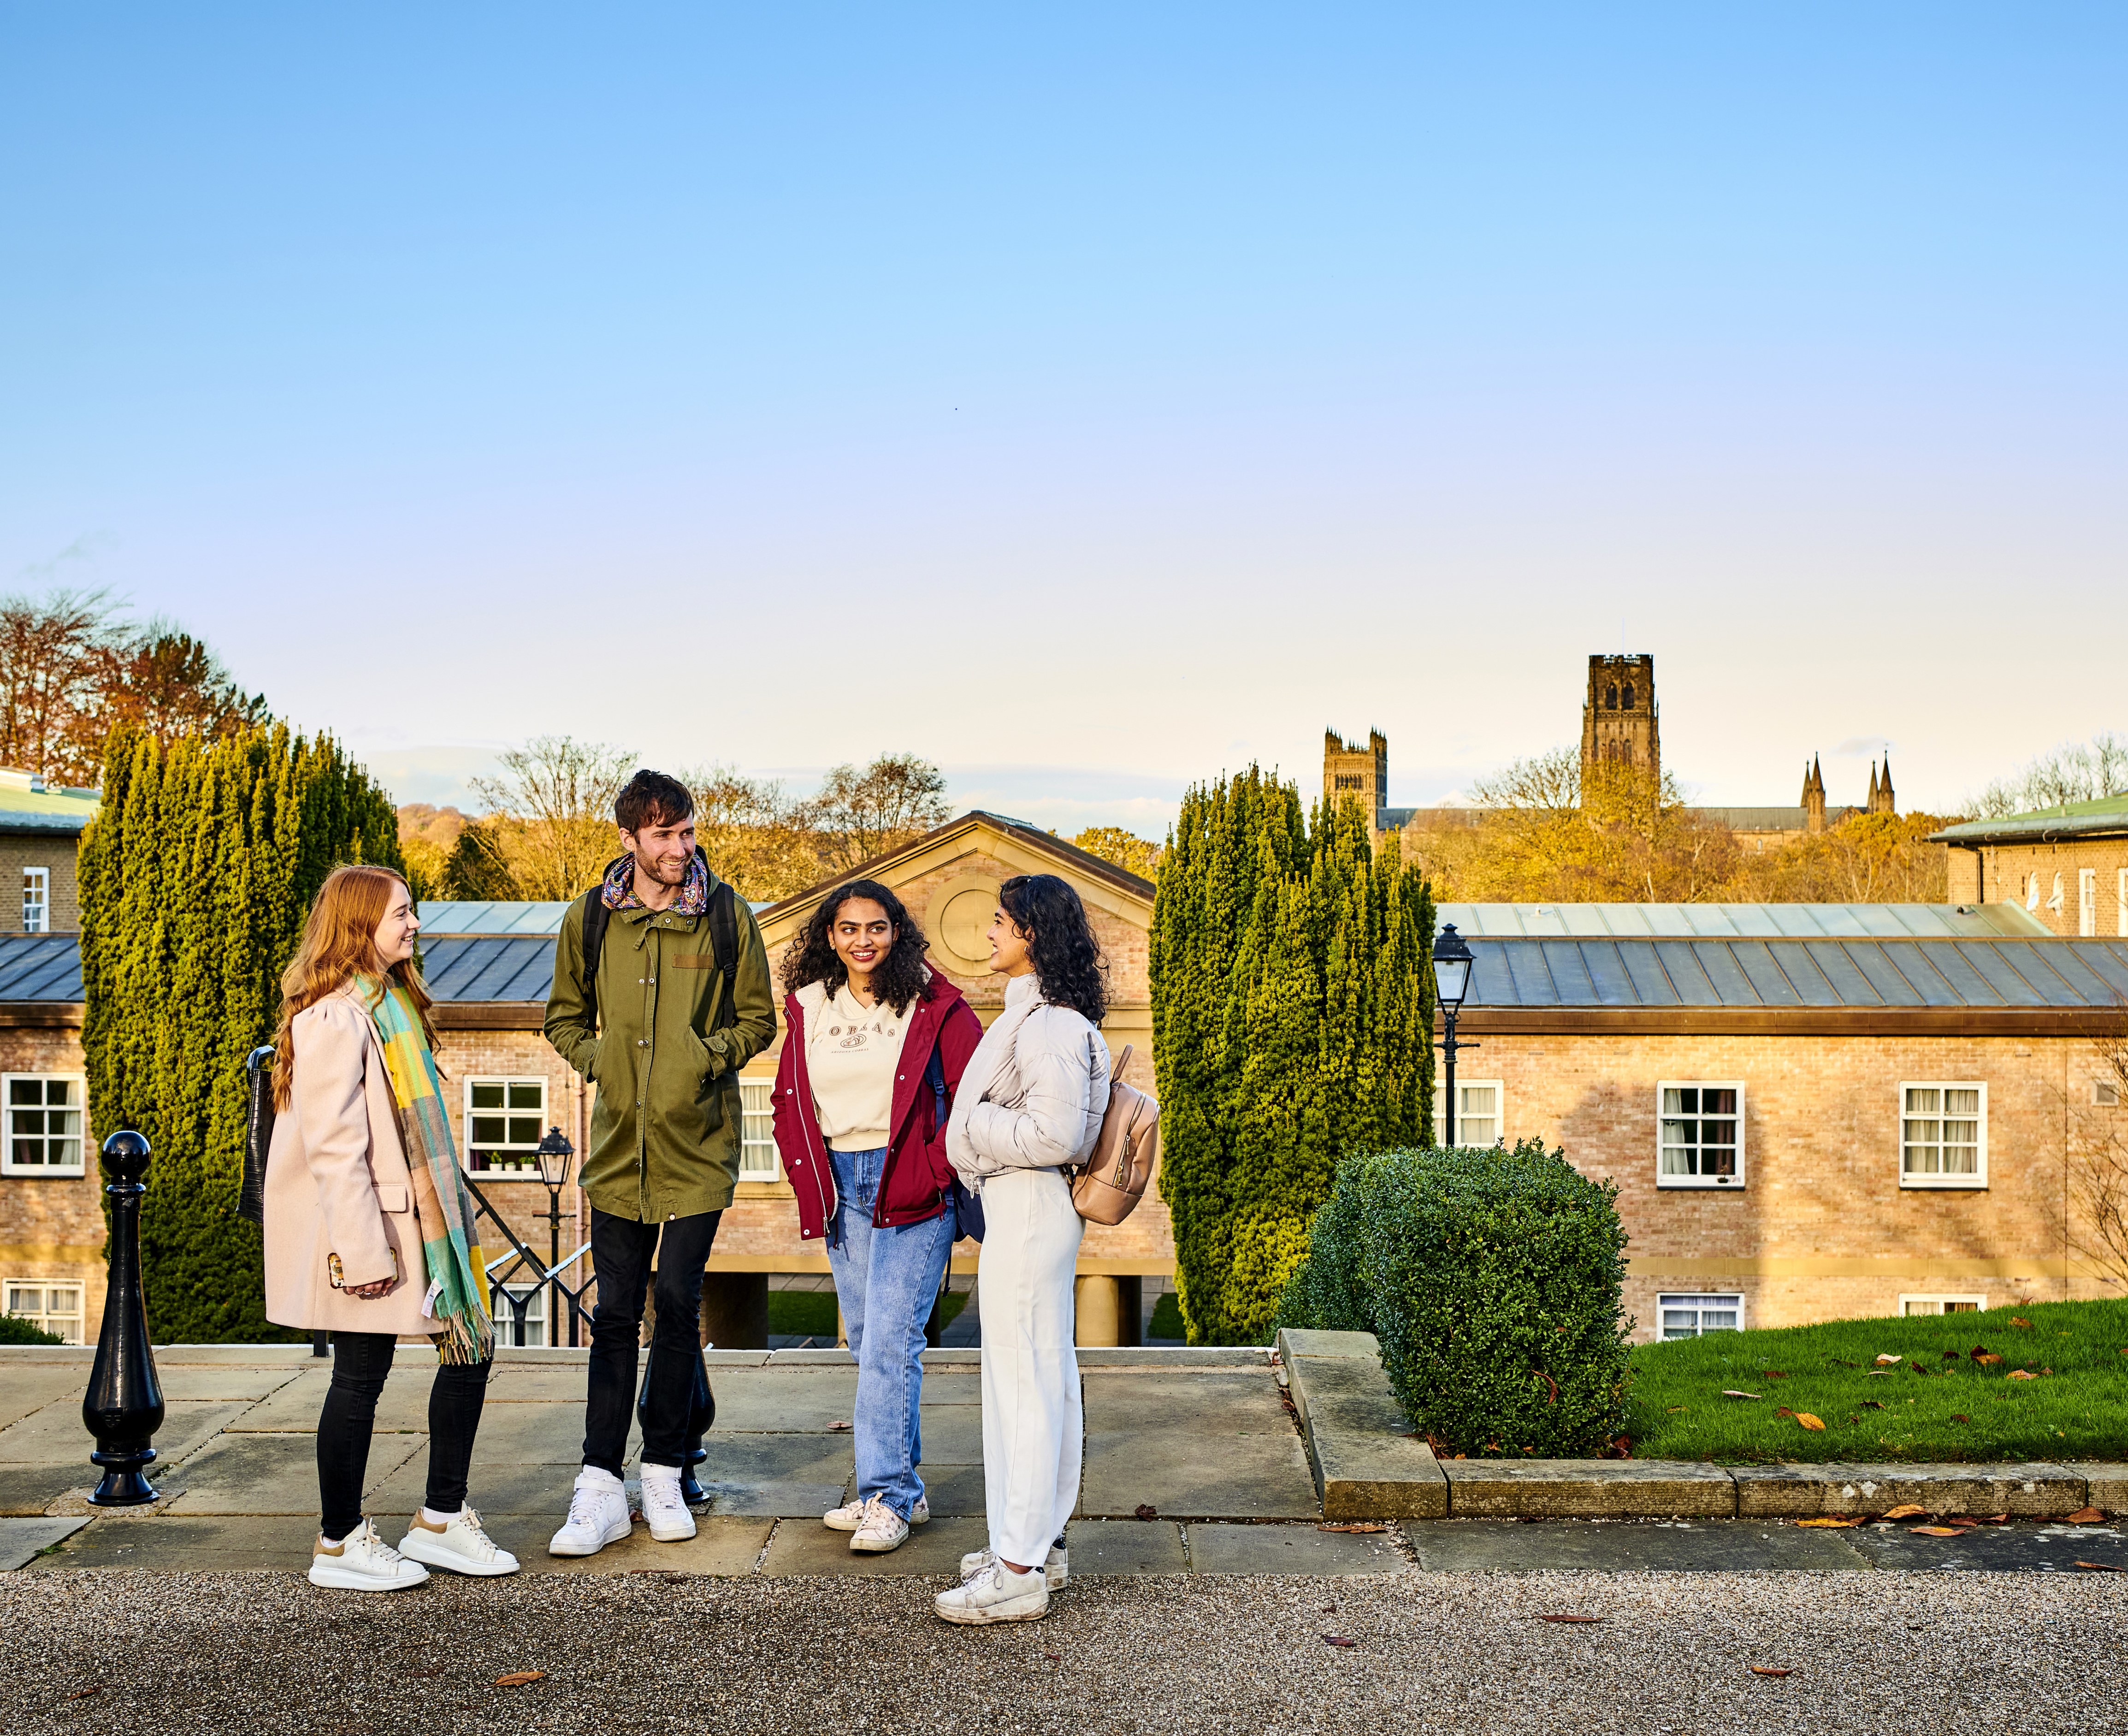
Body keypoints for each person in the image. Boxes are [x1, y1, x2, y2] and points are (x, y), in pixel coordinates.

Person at [264, 864, 519, 1592]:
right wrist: (364, 1248)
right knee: (360, 1376)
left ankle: (440, 1519)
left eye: (413, 911)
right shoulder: (335, 1017)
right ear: (357, 924)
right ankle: (339, 1541)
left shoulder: (392, 1002)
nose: (414, 924)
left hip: (417, 1224)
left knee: (469, 1351)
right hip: (373, 1231)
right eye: (400, 913)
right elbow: (334, 1145)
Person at [543, 769, 775, 1556]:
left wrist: (703, 1059)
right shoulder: (590, 920)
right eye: (665, 834)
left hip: (698, 1146)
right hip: (617, 1152)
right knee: (613, 1316)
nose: (681, 847)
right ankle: (599, 1484)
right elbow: (562, 1018)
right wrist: (604, 1059)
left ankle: (666, 1470)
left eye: (687, 832)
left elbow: (759, 1020)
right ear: (630, 839)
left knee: (677, 1303)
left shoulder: (724, 916)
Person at [772, 880, 983, 1553]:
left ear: (897, 932)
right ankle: (908, 1491)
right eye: (848, 928)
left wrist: (938, 1164)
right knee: (870, 1339)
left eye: (877, 927)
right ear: (829, 937)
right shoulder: (811, 1005)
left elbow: (976, 1090)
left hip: (912, 1187)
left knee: (892, 1339)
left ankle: (884, 1493)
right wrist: (802, 1166)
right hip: (843, 1184)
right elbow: (788, 1095)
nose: (863, 939)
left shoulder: (932, 1000)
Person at [934, 873, 1111, 1625]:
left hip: (1031, 1206)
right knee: (1036, 1380)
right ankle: (1035, 1546)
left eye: (1002, 920)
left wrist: (971, 1130)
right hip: (1022, 1210)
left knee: (1025, 1386)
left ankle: (1019, 1568)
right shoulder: (1038, 1017)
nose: (990, 933)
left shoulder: (1048, 1026)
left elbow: (1055, 1135)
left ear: (1034, 932)